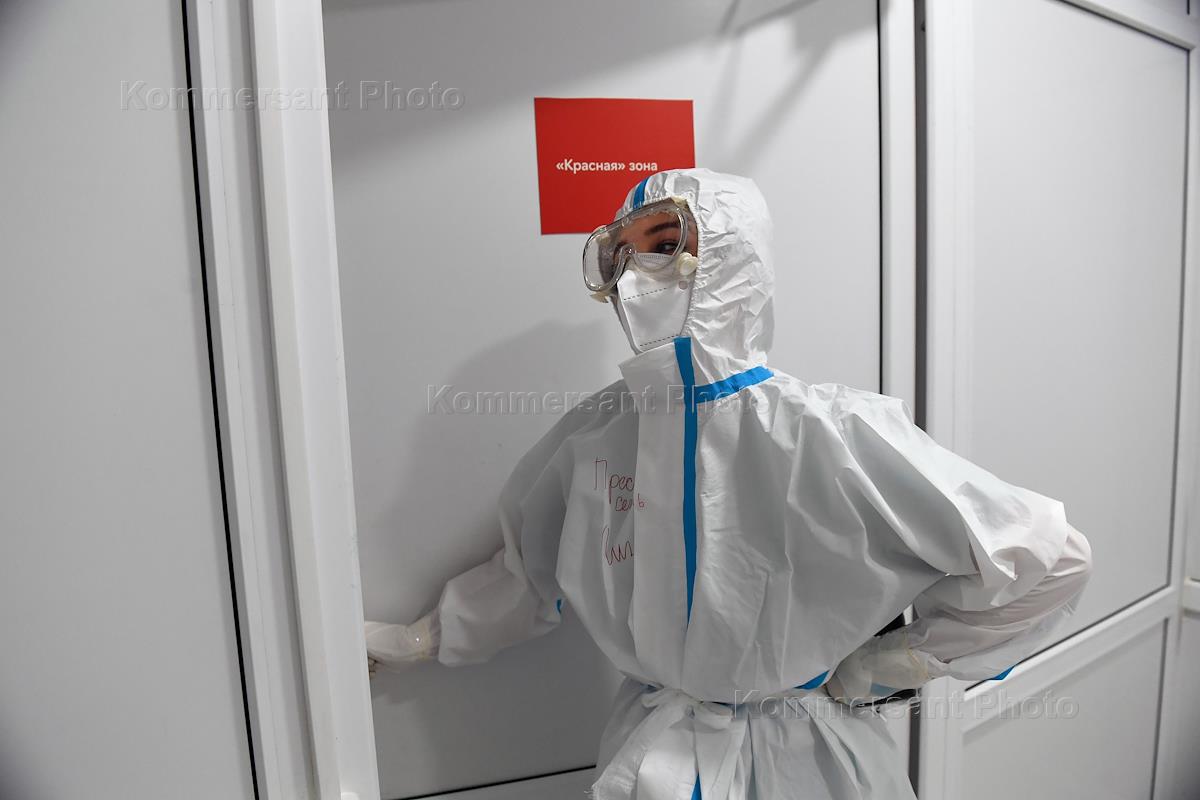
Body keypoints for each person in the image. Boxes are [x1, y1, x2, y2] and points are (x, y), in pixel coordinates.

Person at [364, 168, 1094, 799]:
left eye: (662, 244)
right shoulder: (598, 434)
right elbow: (528, 574)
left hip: (807, 760)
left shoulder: (832, 432)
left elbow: (1049, 560)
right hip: (655, 747)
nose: (634, 274)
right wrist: (421, 638)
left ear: (730, 255)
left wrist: (883, 666)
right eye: (619, 255)